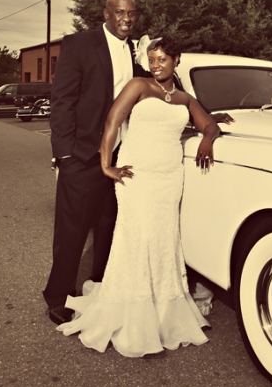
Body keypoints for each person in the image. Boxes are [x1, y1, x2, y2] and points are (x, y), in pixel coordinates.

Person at [57, 38, 220, 356]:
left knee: (163, 240)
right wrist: (106, 165)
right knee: (140, 237)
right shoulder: (138, 85)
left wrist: (207, 140)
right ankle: (132, 312)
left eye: (162, 59)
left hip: (170, 178)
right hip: (138, 175)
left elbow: (209, 125)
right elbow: (112, 121)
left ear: (176, 60)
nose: (156, 65)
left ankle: (162, 313)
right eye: (152, 60)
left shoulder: (185, 98)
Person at [43, 0, 149, 326]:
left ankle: (99, 287)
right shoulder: (78, 45)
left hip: (119, 156)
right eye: (120, 13)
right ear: (106, 13)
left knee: (108, 227)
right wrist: (64, 154)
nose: (126, 19)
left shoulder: (136, 51)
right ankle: (57, 296)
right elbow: (62, 101)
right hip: (83, 155)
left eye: (131, 14)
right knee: (72, 231)